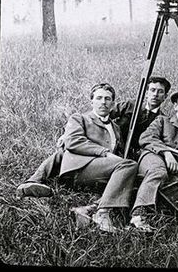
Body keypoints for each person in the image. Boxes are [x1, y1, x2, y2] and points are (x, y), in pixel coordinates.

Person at [15, 76, 171, 198]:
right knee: (63, 152)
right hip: (100, 139)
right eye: (152, 90)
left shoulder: (162, 119)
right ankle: (33, 182)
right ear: (146, 92)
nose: (155, 95)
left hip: (122, 148)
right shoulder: (131, 105)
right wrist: (67, 133)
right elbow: (99, 113)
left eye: (160, 92)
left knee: (127, 170)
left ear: (165, 96)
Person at [58, 83, 139, 232]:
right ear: (92, 101)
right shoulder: (79, 118)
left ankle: (88, 209)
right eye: (99, 98)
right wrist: (105, 153)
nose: (103, 102)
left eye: (107, 99)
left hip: (101, 174)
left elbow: (119, 152)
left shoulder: (116, 128)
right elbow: (74, 141)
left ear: (113, 104)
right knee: (129, 165)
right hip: (80, 169)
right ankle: (102, 213)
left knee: (134, 178)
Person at [130, 84, 178, 232]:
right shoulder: (162, 121)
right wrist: (166, 152)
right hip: (154, 156)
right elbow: (146, 138)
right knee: (159, 171)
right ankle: (138, 215)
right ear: (176, 106)